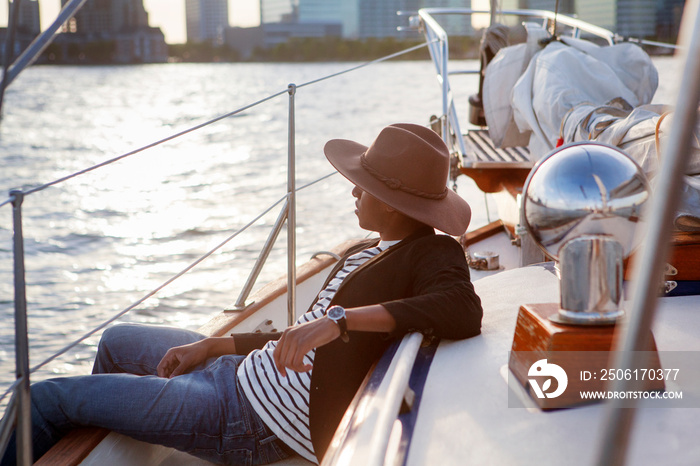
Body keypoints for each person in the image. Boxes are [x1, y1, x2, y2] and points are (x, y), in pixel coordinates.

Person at [1, 123, 483, 465]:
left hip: (247, 420)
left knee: (40, 400)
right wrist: (214, 345)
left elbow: (462, 309)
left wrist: (339, 321)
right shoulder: (368, 248)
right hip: (234, 374)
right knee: (116, 340)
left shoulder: (431, 254)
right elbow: (297, 339)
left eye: (363, 185)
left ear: (395, 205)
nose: (352, 192)